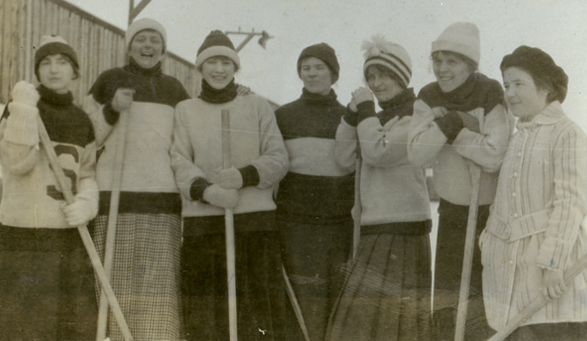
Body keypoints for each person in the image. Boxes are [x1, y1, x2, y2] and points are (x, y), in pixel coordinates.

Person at [170, 30, 291, 339]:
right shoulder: (186, 111)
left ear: (236, 68)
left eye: (226, 62)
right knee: (206, 315)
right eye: (212, 62)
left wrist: (244, 176)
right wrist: (206, 190)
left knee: (255, 315)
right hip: (203, 226)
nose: (219, 69)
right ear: (201, 68)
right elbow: (179, 161)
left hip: (254, 224)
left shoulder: (257, 106)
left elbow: (278, 158)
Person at [0, 36, 99, 340]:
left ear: (75, 72)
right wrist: (22, 110)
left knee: (66, 323)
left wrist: (87, 204)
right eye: (45, 62)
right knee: (22, 324)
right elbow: (16, 162)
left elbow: (87, 173)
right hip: (23, 233)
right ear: (37, 71)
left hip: (67, 235)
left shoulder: (82, 120)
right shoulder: (20, 108)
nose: (53, 69)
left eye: (62, 62)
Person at [83, 18, 190, 340]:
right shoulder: (108, 81)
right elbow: (89, 137)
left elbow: (189, 140)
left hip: (161, 199)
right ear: (129, 46)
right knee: (116, 284)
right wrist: (112, 109)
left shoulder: (175, 89)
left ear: (163, 49)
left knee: (158, 286)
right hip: (115, 196)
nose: (147, 46)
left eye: (154, 40)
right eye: (141, 39)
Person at [481, 46, 587, 341]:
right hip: (509, 278)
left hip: (549, 279)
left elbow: (570, 204)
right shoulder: (518, 137)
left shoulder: (567, 133)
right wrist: (488, 243)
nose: (510, 93)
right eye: (507, 85)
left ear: (545, 88)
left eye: (519, 84)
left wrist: (553, 264)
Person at [407, 22, 510, 340]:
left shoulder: (490, 92)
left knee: (484, 298)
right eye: (437, 60)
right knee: (450, 296)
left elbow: (494, 155)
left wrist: (458, 130)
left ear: (470, 64)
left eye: (451, 61)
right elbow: (416, 154)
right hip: (451, 211)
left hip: (488, 214)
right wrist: (447, 125)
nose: (442, 68)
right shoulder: (427, 96)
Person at [328, 35, 432, 340]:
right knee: (365, 317)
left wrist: (365, 112)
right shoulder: (372, 117)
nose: (376, 83)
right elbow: (344, 158)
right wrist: (351, 116)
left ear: (401, 77)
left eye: (384, 75)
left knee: (390, 319)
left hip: (403, 226)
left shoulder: (416, 116)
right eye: (371, 76)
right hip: (374, 224)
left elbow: (379, 151)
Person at [275, 43, 355, 341]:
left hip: (337, 225)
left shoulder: (349, 116)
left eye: (319, 67)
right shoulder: (284, 115)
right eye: (306, 67)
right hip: (295, 225)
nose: (311, 73)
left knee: (335, 298)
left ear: (333, 74)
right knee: (299, 298)